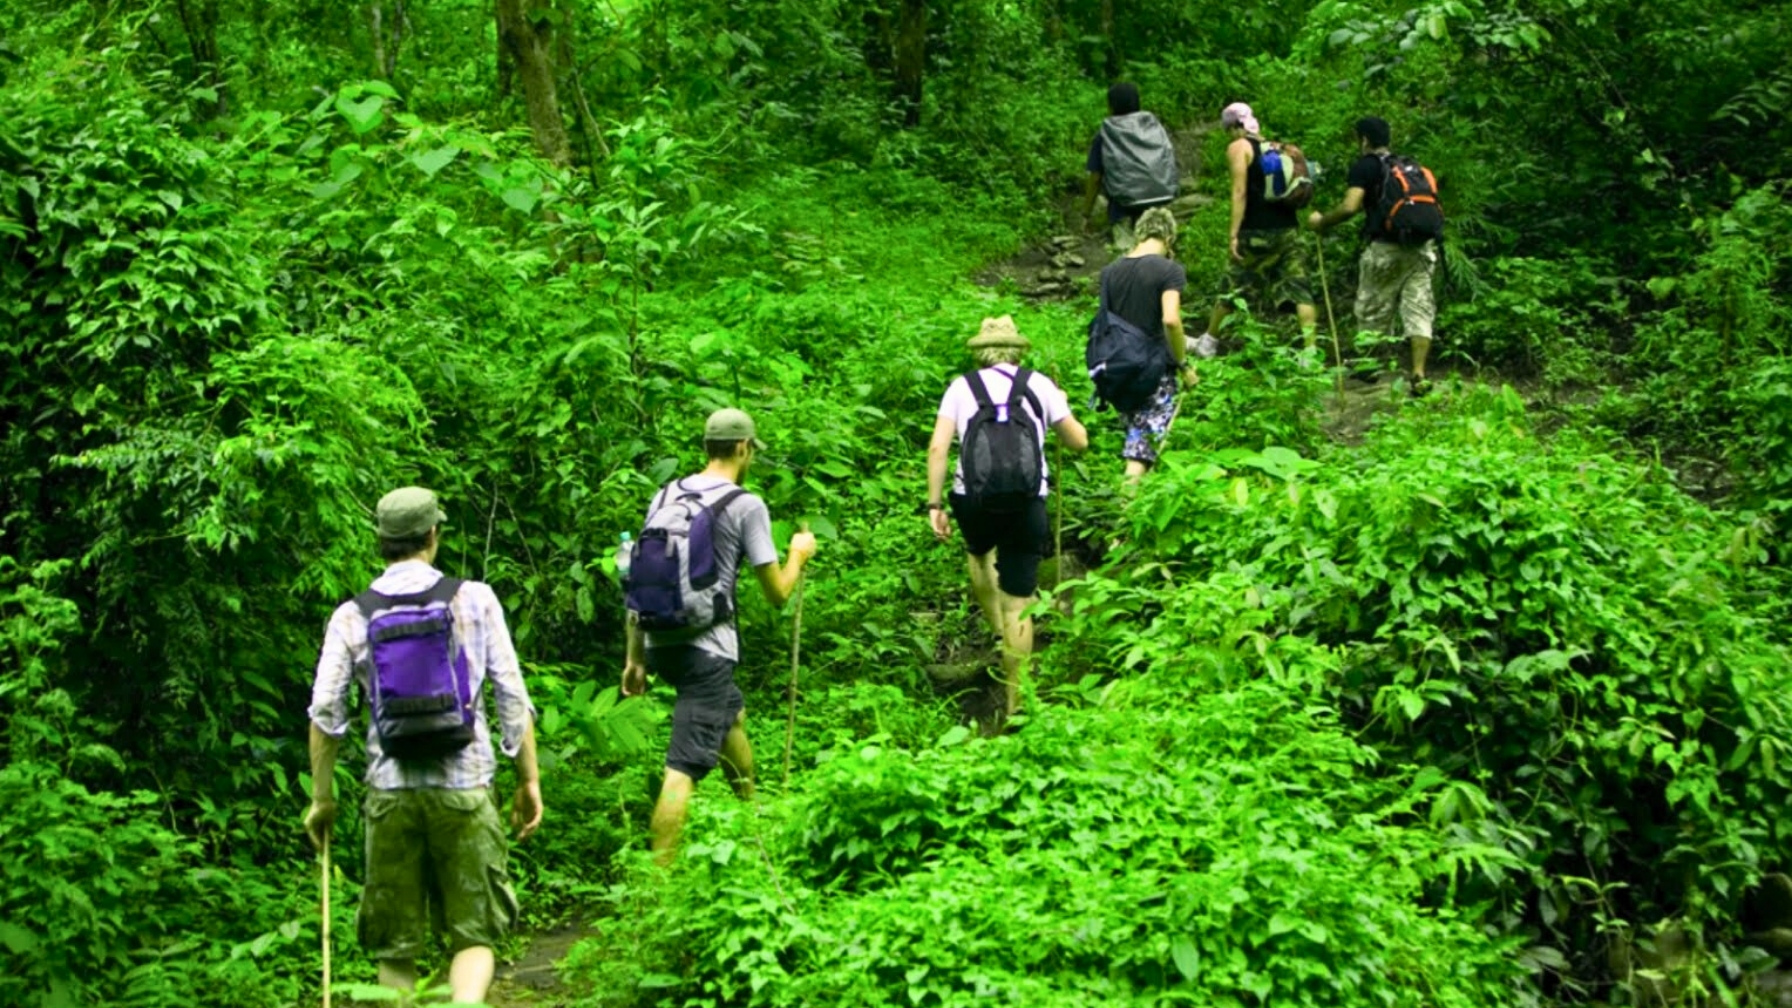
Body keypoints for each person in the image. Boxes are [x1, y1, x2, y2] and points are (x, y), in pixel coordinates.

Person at [304, 486, 542, 1006]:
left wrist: (323, 798)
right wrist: (528, 778)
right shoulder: (475, 598)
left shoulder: (352, 615)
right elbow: (511, 695)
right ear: (433, 535)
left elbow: (326, 714)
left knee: (395, 948)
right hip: (466, 788)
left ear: (381, 542)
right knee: (473, 935)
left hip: (391, 794)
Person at [620, 408, 816, 865]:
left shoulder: (665, 494)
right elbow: (777, 594)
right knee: (682, 767)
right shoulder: (745, 505)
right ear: (744, 448)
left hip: (658, 640)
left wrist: (636, 658)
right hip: (706, 648)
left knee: (732, 718)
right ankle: (658, 884)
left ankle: (754, 823)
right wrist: (798, 554)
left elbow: (638, 577)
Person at [927, 316, 1089, 722]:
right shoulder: (1040, 385)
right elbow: (1078, 442)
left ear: (979, 352)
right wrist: (1061, 403)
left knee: (980, 554)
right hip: (1027, 502)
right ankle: (1018, 702)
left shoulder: (961, 387)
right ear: (1018, 349)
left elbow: (937, 449)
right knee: (1021, 599)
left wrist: (934, 505)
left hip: (972, 499)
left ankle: (998, 631)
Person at [1308, 115, 1440, 392]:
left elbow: (1349, 207)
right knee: (1419, 308)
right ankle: (1418, 374)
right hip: (1421, 248)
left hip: (1385, 249)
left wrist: (1321, 222)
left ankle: (1369, 368)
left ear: (1364, 139)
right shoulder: (1407, 165)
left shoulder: (1366, 166)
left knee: (1372, 307)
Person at [1194, 101, 1319, 352]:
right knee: (1299, 287)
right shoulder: (1276, 148)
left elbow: (1239, 192)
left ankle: (1208, 343)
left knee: (1232, 283)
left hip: (1256, 231)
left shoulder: (1239, 147)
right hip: (1288, 229)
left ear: (1233, 127)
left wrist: (1233, 234)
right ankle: (1311, 351)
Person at [1095, 206, 1199, 482]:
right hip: (1152, 371)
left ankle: (1134, 503)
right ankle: (1127, 507)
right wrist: (1182, 364)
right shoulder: (1168, 270)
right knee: (1140, 452)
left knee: (1135, 437)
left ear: (1139, 233)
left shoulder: (1110, 272)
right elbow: (1171, 320)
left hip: (1116, 369)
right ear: (1169, 238)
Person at [1082, 82, 1179, 250]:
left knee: (1126, 255)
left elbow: (1095, 178)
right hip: (1158, 203)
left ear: (1111, 107)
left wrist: (1086, 214)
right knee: (1157, 252)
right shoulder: (1153, 127)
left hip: (1123, 207)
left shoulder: (1106, 134)